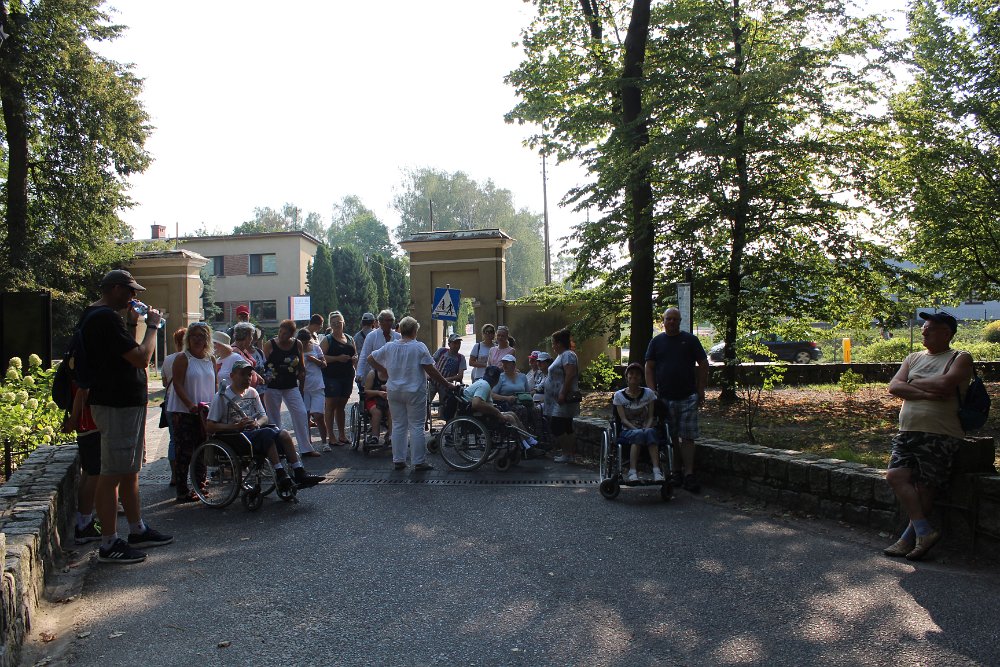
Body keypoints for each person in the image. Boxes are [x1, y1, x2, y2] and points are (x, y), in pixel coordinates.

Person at [81, 269, 172, 564]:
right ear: (116, 289)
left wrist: (133, 323)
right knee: (111, 474)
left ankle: (137, 529)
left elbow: (124, 353)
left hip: (122, 403)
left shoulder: (100, 316)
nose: (134, 297)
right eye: (130, 291)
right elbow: (141, 358)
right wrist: (153, 326)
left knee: (129, 471)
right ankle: (109, 542)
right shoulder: (105, 318)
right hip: (115, 404)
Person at [884, 311, 972, 561]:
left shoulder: (960, 357)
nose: (923, 331)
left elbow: (945, 385)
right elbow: (894, 387)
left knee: (926, 487)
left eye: (929, 328)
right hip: (907, 430)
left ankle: (909, 539)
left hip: (940, 432)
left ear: (946, 333)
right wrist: (925, 392)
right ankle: (924, 532)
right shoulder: (913, 358)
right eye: (923, 327)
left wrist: (911, 383)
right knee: (895, 476)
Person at [205, 360, 322, 491]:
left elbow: (264, 417)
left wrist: (257, 423)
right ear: (232, 376)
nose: (247, 378)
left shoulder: (252, 392)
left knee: (283, 434)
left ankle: (299, 472)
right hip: (234, 437)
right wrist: (235, 426)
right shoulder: (221, 396)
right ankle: (280, 473)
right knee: (267, 434)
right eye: (242, 374)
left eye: (249, 375)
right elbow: (209, 426)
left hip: (253, 433)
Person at [368, 316, 453, 471]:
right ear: (415, 331)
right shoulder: (419, 347)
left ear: (400, 330)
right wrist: (446, 383)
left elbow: (370, 358)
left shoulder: (390, 346)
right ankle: (418, 461)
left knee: (398, 425)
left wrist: (384, 370)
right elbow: (431, 370)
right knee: (416, 426)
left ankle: (398, 459)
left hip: (394, 391)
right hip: (414, 391)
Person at [644, 307, 708, 492]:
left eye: (675, 319)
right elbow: (649, 367)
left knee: (687, 437)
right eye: (668, 319)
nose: (671, 322)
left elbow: (703, 363)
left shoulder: (690, 340)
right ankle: (675, 472)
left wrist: (700, 389)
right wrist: (652, 391)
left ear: (680, 321)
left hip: (688, 396)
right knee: (671, 437)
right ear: (663, 321)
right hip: (665, 398)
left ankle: (689, 474)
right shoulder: (656, 342)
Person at [168, 322, 218, 503]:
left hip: (205, 412)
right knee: (184, 452)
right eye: (194, 335)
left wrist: (216, 406)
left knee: (202, 450)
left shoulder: (210, 359)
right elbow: (177, 384)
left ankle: (200, 486)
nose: (197, 339)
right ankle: (182, 491)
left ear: (207, 339)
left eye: (201, 336)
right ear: (188, 338)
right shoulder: (183, 358)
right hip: (184, 412)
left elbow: (214, 384)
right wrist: (189, 404)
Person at [263, 320, 317, 456]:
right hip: (273, 386)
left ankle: (306, 448)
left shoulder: (297, 344)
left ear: (292, 334)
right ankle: (278, 449)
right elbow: (263, 366)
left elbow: (302, 367)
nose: (281, 335)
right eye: (280, 331)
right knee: (274, 418)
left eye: (285, 333)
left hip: (291, 385)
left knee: (301, 413)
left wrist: (302, 387)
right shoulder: (270, 344)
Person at [464, 366, 540, 456]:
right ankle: (524, 446)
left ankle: (529, 439)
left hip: (479, 412)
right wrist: (496, 412)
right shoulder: (485, 385)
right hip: (479, 415)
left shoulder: (482, 382)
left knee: (512, 414)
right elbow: (476, 403)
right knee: (510, 418)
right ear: (497, 380)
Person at [614, 362, 664, 483]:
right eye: (631, 373)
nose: (634, 376)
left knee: (650, 432)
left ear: (641, 378)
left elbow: (651, 416)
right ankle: (632, 471)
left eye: (637, 374)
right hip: (628, 429)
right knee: (638, 434)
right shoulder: (619, 395)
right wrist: (636, 429)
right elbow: (623, 419)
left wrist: (646, 428)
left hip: (647, 426)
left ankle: (657, 471)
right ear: (626, 377)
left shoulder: (649, 394)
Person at [321, 311, 357, 445]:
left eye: (339, 322)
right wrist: (337, 358)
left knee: (341, 405)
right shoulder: (327, 340)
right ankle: (331, 436)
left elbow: (355, 354)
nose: (336, 325)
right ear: (330, 325)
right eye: (333, 323)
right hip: (331, 376)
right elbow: (321, 357)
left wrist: (355, 359)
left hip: (347, 375)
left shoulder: (350, 338)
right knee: (331, 405)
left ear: (343, 323)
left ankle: (342, 434)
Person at [546, 328, 580, 463]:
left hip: (563, 398)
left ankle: (567, 453)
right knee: (566, 425)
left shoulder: (568, 355)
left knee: (557, 425)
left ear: (559, 343)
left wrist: (562, 393)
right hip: (557, 399)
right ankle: (569, 454)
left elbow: (570, 374)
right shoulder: (561, 356)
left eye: (553, 343)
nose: (552, 346)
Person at [160, 327, 187, 486]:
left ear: (176, 342)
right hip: (186, 402)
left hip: (170, 401)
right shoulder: (191, 358)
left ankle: (174, 475)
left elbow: (165, 383)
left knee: (173, 439)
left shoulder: (168, 359)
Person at [296, 328, 330, 451]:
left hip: (317, 386)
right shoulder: (295, 349)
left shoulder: (316, 347)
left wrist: (315, 360)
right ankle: (308, 443)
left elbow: (324, 364)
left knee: (318, 415)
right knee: (305, 416)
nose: (304, 344)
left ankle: (324, 442)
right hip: (303, 387)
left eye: (306, 342)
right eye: (302, 342)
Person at [356, 309, 400, 383]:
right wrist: (359, 374)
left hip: (393, 376)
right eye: (387, 320)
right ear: (381, 321)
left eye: (391, 320)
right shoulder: (372, 336)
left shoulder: (398, 337)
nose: (390, 323)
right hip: (375, 376)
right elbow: (364, 355)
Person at [429, 333, 467, 416]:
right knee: (426, 402)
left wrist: (445, 380)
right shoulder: (442, 351)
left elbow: (460, 376)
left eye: (459, 343)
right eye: (455, 343)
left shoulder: (461, 358)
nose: (457, 345)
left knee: (444, 406)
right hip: (433, 382)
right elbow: (431, 362)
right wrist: (430, 374)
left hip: (446, 386)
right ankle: (426, 419)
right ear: (449, 344)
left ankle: (443, 419)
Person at [362, 368, 391, 446]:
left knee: (392, 411)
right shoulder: (373, 374)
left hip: (388, 399)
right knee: (376, 411)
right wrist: (378, 392)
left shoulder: (393, 373)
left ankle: (391, 435)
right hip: (373, 399)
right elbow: (366, 392)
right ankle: (375, 436)